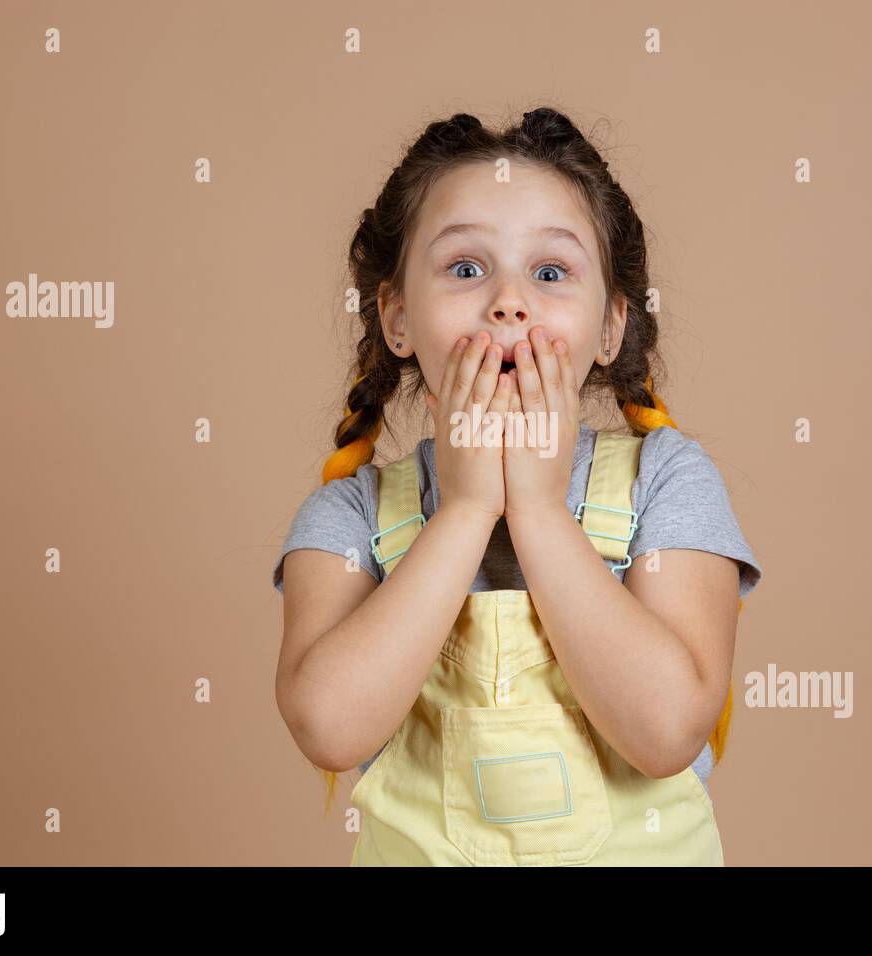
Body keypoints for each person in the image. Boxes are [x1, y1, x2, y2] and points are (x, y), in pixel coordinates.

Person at [273, 107, 763, 865]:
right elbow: (330, 729)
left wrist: (536, 507)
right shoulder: (349, 512)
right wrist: (467, 508)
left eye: (550, 272)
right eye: (465, 269)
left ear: (611, 329)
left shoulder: (668, 479)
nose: (509, 301)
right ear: (397, 317)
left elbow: (667, 729)